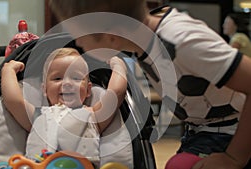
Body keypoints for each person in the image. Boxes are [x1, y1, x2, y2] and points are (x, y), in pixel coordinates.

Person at [48, 1, 251, 169]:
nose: (79, 45)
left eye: (80, 39)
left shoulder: (182, 41)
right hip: (201, 130)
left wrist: (234, 157)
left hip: (233, 130)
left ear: (112, 37)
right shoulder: (140, 36)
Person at [1, 47, 129, 167]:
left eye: (76, 78)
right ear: (45, 89)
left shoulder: (93, 116)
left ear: (88, 90)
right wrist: (8, 71)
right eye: (57, 78)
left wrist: (119, 66)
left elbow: (116, 92)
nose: (67, 83)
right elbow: (13, 100)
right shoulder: (37, 115)